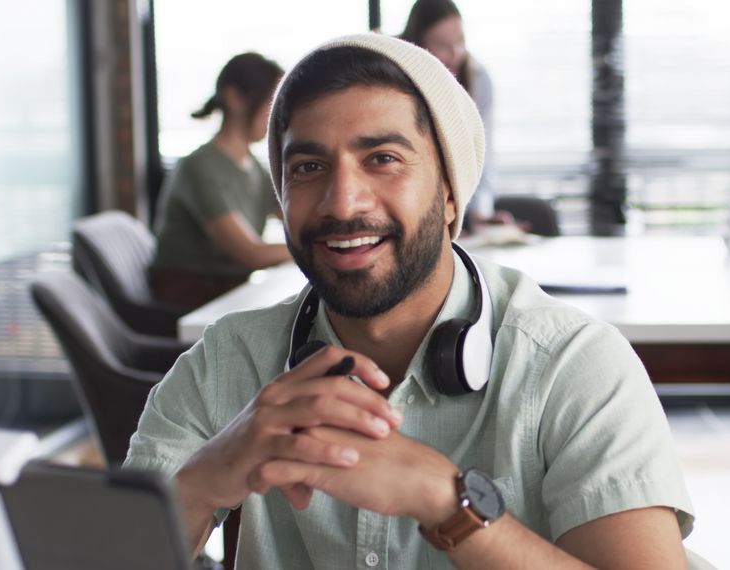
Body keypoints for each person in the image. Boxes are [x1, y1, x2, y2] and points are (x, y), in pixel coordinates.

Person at [125, 34, 693, 568]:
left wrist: (449, 504)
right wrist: (204, 479)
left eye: (383, 159)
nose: (342, 201)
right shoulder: (229, 361)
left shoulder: (573, 365)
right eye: (308, 167)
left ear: (450, 195)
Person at [149, 52, 292, 309]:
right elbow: (250, 254)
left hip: (228, 292)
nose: (276, 115)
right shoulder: (200, 166)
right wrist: (311, 250)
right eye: (270, 103)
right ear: (234, 97)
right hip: (191, 298)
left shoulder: (256, 167)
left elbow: (295, 215)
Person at [400, 0, 514, 233]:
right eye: (443, 45)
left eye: (460, 42)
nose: (455, 54)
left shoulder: (478, 79)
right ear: (418, 45)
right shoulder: (395, 78)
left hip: (459, 215)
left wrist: (480, 214)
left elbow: (482, 158)